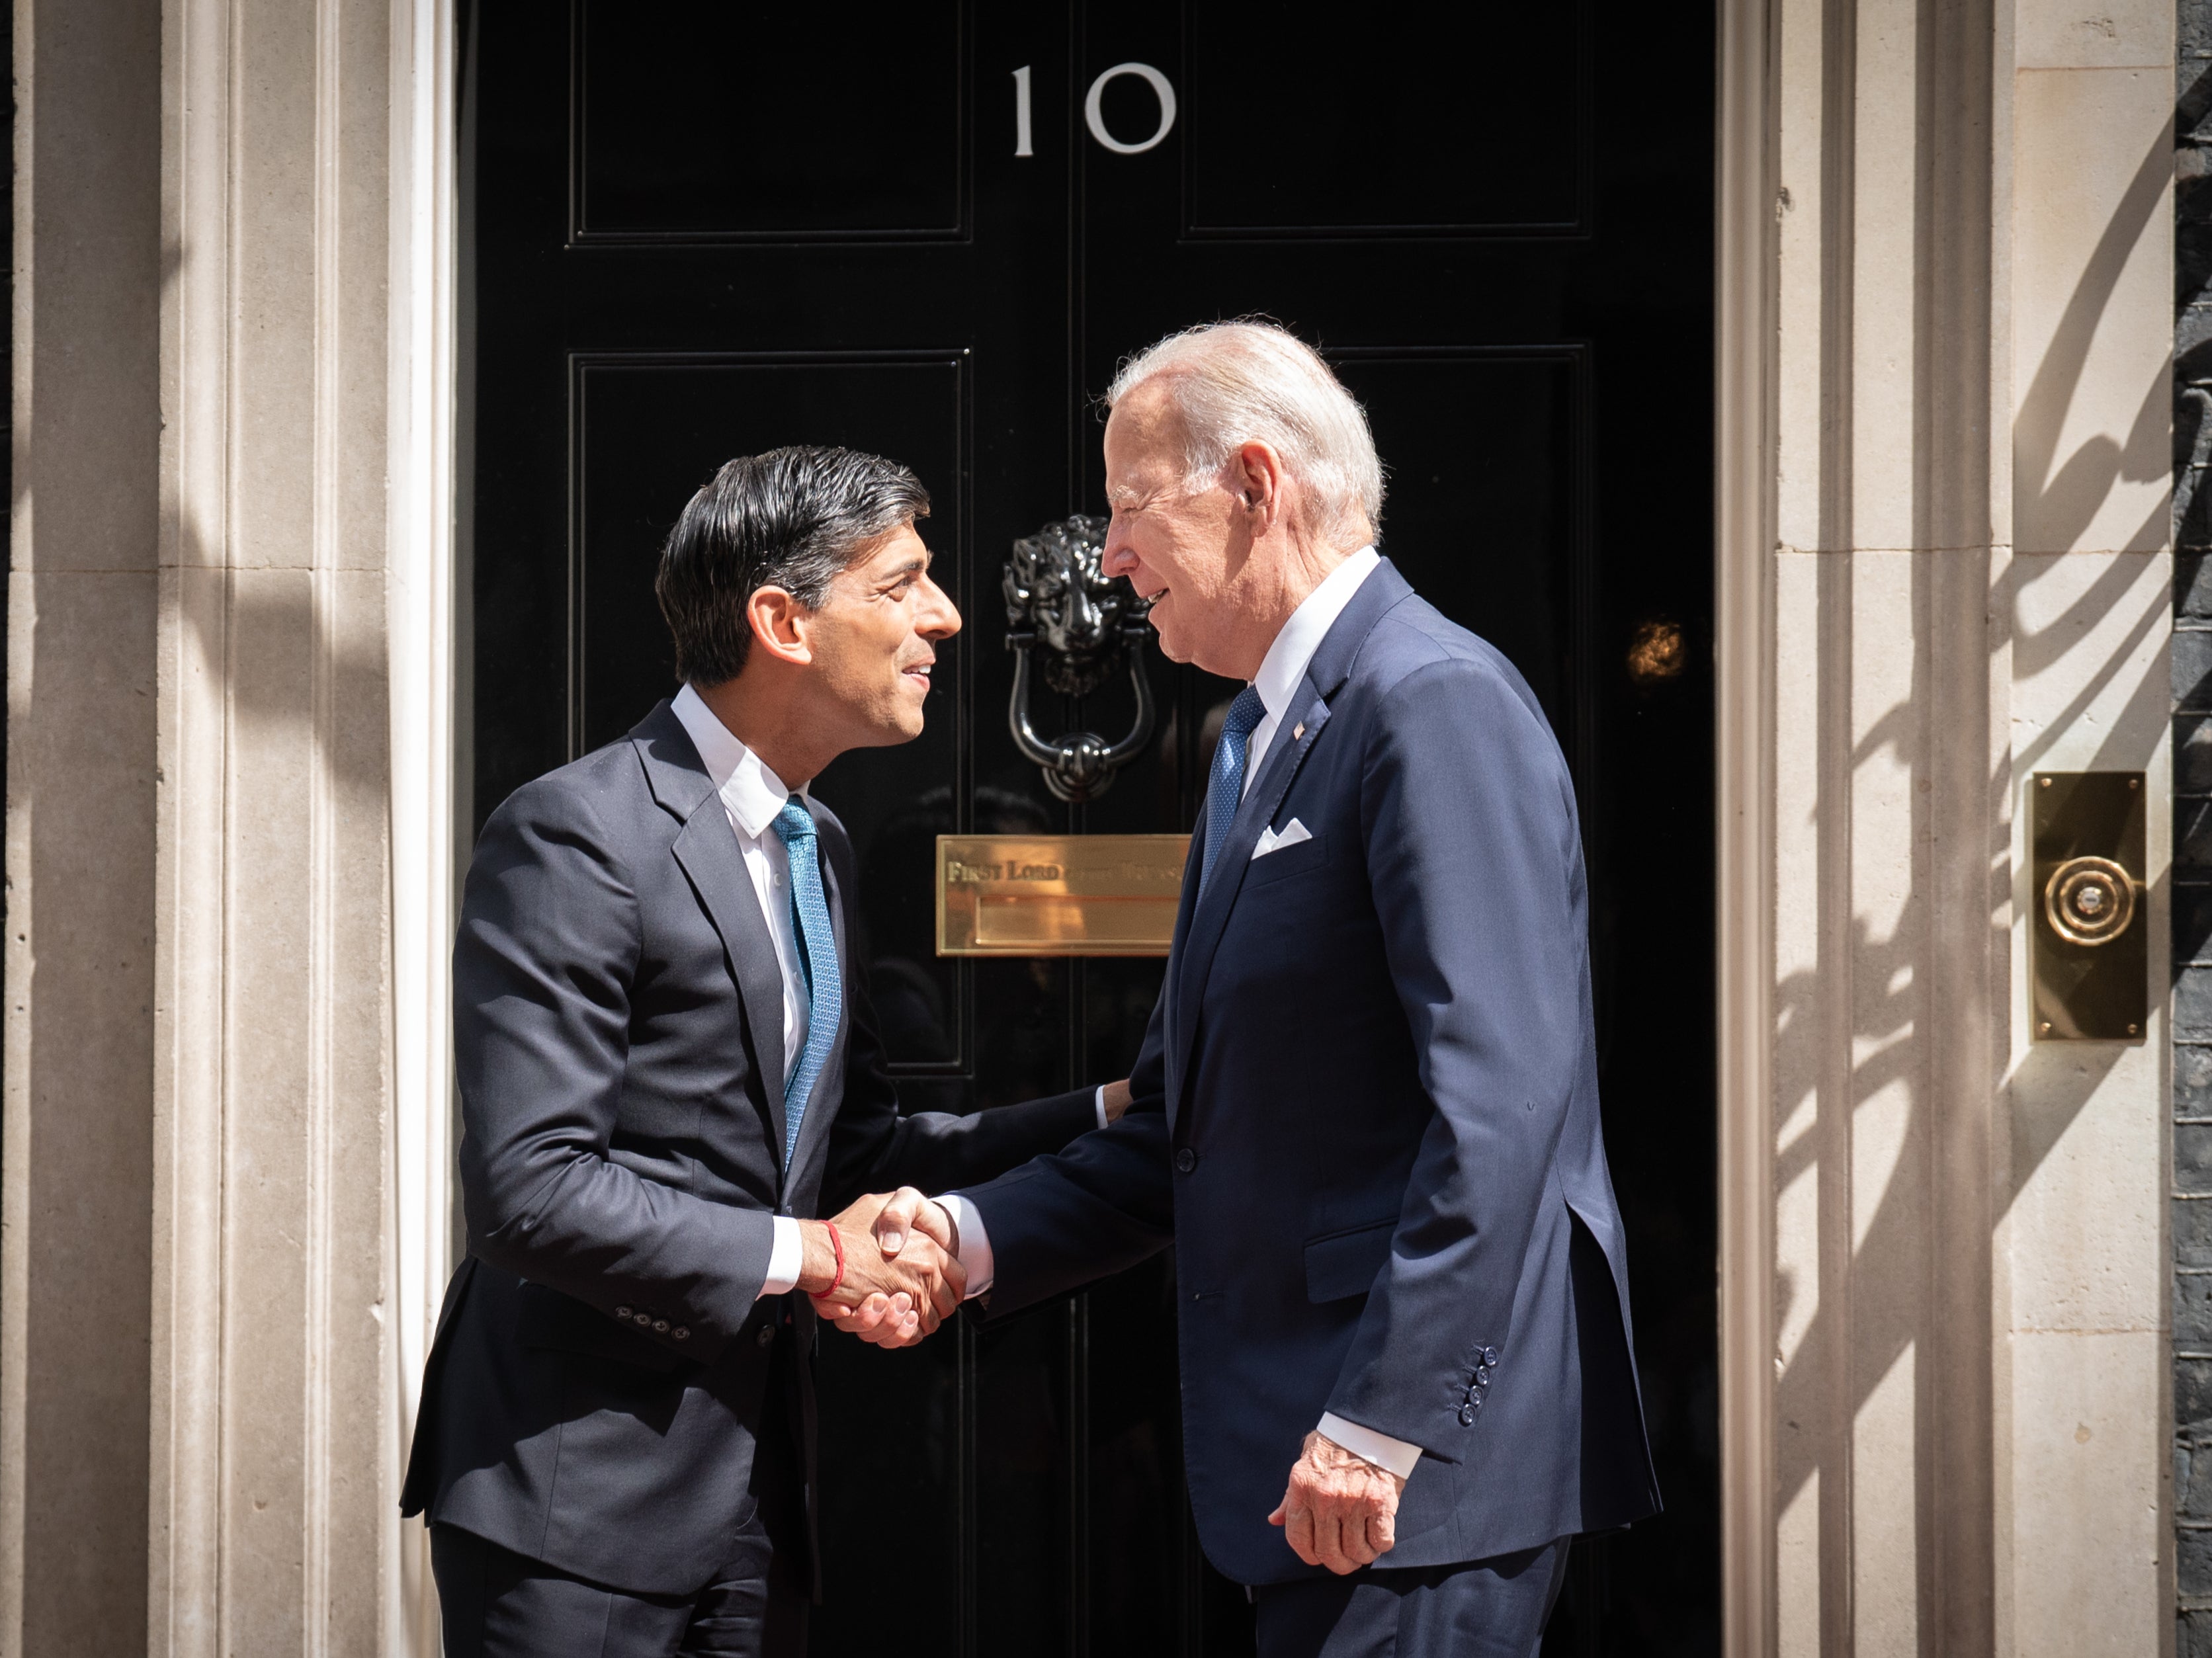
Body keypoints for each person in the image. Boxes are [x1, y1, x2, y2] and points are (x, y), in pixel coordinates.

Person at [833, 323, 1661, 1656]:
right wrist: (962, 1239)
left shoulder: (1428, 700)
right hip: (1311, 1467)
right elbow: (1181, 1125)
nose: (1106, 558)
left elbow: (1504, 1108)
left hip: (1406, 1481)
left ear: (1256, 485)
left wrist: (1380, 1424)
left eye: (1128, 505)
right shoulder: (1248, 743)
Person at [400, 446, 1117, 1657]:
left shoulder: (816, 843)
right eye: (901, 586)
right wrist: (814, 1258)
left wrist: (1111, 1110)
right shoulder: (578, 833)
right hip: (572, 1505)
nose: (943, 616)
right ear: (783, 620)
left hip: (757, 1508)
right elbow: (531, 1189)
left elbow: (855, 1154)